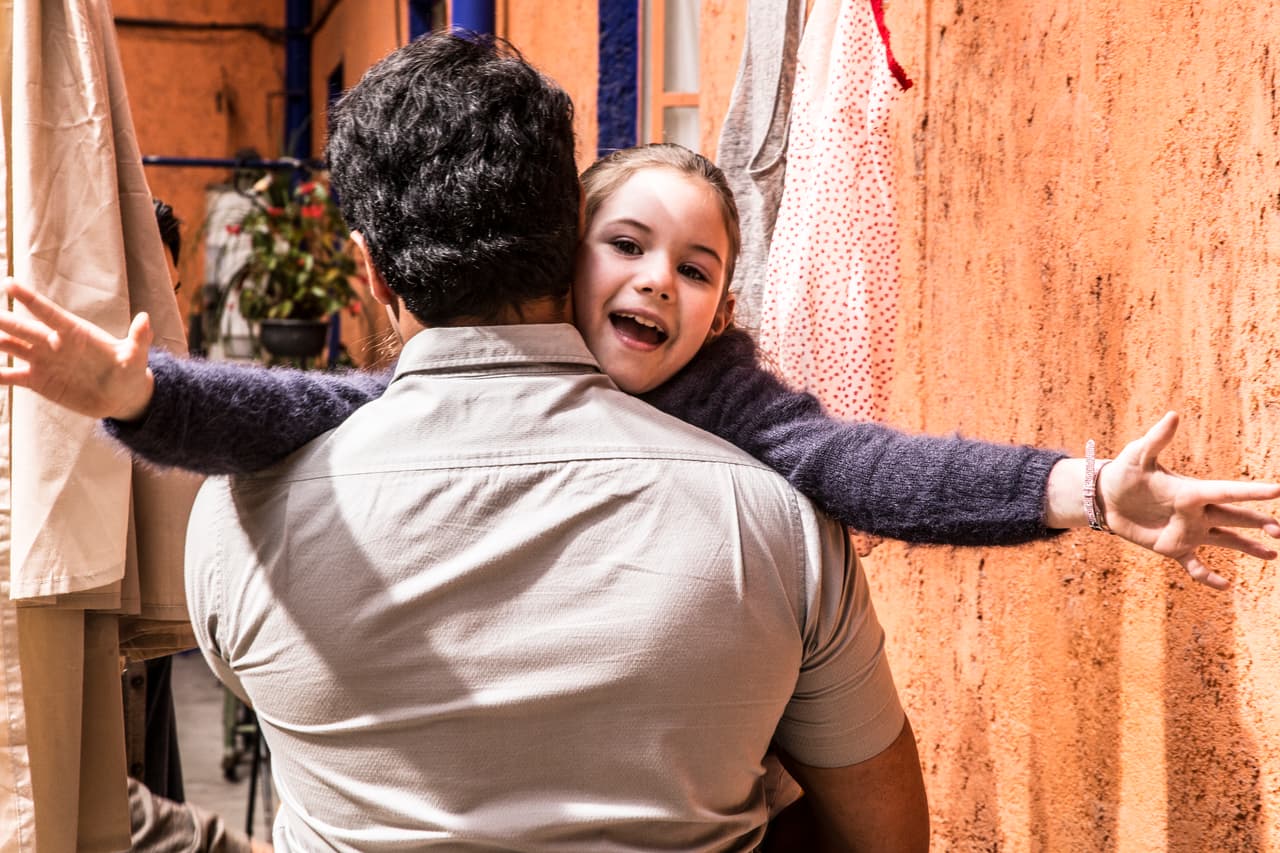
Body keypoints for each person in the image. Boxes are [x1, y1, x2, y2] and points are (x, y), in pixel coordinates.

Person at [2, 33, 1278, 849]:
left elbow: (877, 461)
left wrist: (1072, 491)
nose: (659, 287)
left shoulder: (247, 526)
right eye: (627, 246)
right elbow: (887, 826)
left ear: (368, 275)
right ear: (562, 247)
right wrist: (146, 395)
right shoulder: (770, 522)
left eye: (698, 268)